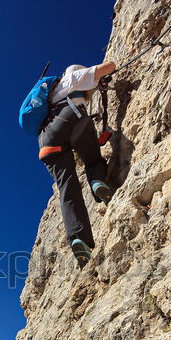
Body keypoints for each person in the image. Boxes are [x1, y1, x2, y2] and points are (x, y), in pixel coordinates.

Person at [37, 61, 117, 266]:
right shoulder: (72, 77)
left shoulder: (52, 95)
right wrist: (98, 77)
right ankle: (97, 182)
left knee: (67, 187)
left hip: (46, 141)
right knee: (92, 160)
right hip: (70, 118)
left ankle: (78, 237)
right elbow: (110, 66)